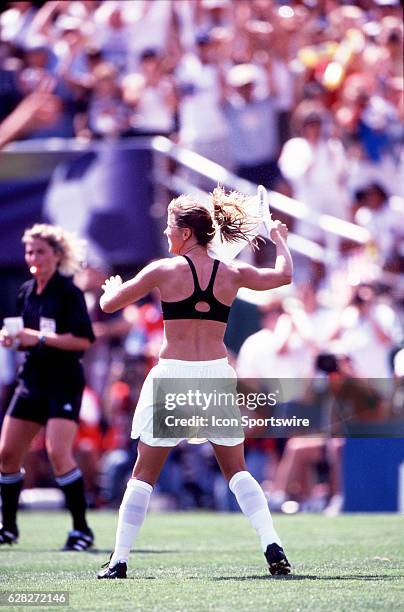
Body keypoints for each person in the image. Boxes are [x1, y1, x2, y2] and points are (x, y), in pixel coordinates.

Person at [97, 187, 293, 579]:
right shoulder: (232, 273)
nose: (167, 234)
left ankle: (119, 560)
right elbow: (284, 275)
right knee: (237, 471)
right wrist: (280, 240)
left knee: (143, 474)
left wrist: (109, 289)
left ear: (186, 232)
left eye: (171, 227)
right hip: (216, 375)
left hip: (173, 375)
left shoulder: (163, 270)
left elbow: (108, 306)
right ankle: (272, 543)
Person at [0, 224, 96, 550]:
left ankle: (81, 530)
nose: (34, 257)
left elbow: (83, 340)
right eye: (30, 251)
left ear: (57, 255)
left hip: (63, 382)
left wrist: (39, 338)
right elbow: (25, 339)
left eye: (41, 251)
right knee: (7, 454)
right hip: (31, 381)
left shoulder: (68, 293)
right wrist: (12, 339)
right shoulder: (26, 291)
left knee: (58, 453)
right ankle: (9, 527)